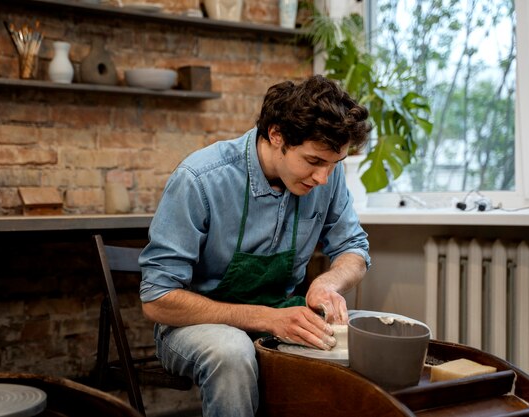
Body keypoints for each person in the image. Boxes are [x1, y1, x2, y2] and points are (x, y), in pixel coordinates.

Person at [139, 74, 372, 416]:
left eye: (334, 164)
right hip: (193, 327)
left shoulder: (327, 175)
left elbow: (354, 248)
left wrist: (327, 283)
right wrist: (267, 319)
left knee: (370, 331)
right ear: (276, 134)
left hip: (281, 311)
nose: (324, 178)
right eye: (313, 162)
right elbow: (157, 300)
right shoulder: (200, 180)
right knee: (232, 351)